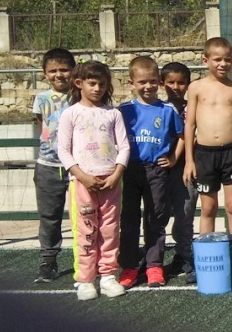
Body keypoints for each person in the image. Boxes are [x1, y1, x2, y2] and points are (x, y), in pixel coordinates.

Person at [56, 61, 130, 301]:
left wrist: (117, 174)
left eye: (102, 84)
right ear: (79, 84)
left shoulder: (113, 114)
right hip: (82, 183)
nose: (97, 88)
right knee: (86, 231)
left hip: (111, 182)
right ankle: (85, 280)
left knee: (109, 230)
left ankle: (108, 275)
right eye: (92, 83)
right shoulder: (71, 113)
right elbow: (63, 150)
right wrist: (82, 176)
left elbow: (124, 146)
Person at [117, 56, 184, 289]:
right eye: (142, 82)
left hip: (156, 170)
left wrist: (174, 157)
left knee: (156, 218)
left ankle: (154, 265)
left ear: (160, 82)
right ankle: (129, 266)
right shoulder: (124, 110)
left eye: (153, 81)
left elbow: (183, 136)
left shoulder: (167, 110)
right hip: (129, 169)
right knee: (129, 219)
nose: (148, 86)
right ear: (131, 82)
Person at [183, 37, 232, 236]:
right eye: (217, 59)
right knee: (208, 208)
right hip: (205, 154)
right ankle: (208, 258)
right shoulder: (196, 87)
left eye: (227, 59)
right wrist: (189, 160)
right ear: (206, 60)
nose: (223, 64)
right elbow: (190, 125)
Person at [31, 48, 76, 283]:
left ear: (74, 71)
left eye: (64, 69)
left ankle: (91, 259)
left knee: (86, 216)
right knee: (49, 216)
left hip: (79, 167)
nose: (59, 75)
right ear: (45, 74)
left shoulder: (81, 95)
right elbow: (43, 127)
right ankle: (48, 261)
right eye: (53, 71)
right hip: (49, 165)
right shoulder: (41, 99)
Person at [160, 62, 197, 283]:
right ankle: (154, 257)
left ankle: (185, 255)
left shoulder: (193, 108)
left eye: (181, 82)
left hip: (187, 167)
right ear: (161, 83)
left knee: (185, 213)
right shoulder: (159, 108)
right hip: (161, 169)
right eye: (171, 82)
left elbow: (190, 135)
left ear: (188, 84)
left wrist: (178, 158)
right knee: (159, 213)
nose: (176, 86)